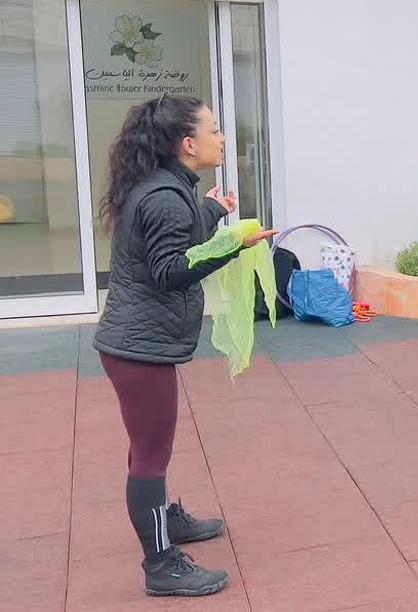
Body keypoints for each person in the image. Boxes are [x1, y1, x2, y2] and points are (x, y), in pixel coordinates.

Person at [92, 94, 276, 597]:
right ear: (189, 143)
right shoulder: (165, 196)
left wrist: (213, 211)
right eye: (214, 130)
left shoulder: (165, 188)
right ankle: (161, 565)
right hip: (138, 349)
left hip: (136, 344)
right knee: (150, 453)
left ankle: (164, 521)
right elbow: (171, 269)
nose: (222, 138)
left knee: (152, 444)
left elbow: (178, 233)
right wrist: (233, 243)